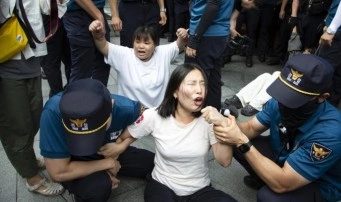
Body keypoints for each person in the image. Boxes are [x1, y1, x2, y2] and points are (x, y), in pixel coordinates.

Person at [203, 54, 341, 201]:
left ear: (322, 97)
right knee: (234, 137)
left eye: (296, 99)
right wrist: (226, 124)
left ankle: (273, 181)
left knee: (269, 197)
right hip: (286, 153)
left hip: (318, 182)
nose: (285, 103)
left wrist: (241, 140)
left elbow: (283, 183)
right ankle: (265, 178)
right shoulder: (280, 99)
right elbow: (251, 127)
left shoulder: (332, 133)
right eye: (285, 93)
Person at [113, 63, 236, 201]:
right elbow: (124, 136)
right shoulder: (154, 116)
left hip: (199, 189)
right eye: (192, 84)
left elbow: (225, 161)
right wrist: (112, 161)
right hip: (162, 185)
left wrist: (222, 123)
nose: (199, 90)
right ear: (175, 91)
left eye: (203, 84)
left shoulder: (209, 120)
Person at [39, 78, 155, 201]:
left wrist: (122, 145)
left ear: (111, 108)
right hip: (73, 158)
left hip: (110, 148)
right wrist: (107, 164)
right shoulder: (53, 113)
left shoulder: (127, 108)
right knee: (97, 188)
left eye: (96, 132)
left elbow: (149, 120)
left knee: (154, 163)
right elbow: (58, 172)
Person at [0, 0, 64, 197]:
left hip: (32, 60)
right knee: (16, 126)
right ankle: (31, 178)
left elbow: (48, 8)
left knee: (34, 117)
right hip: (6, 62)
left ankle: (27, 158)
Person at [89, 19, 188, 108]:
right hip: (131, 114)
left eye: (146, 43)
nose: (141, 46)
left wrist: (182, 35)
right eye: (137, 42)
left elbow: (179, 45)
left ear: (155, 45)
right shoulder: (124, 55)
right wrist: (98, 34)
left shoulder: (162, 53)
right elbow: (103, 45)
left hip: (158, 113)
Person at [184, 0, 235, 110]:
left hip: (207, 33)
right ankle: (212, 116)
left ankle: (193, 117)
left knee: (195, 79)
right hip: (218, 31)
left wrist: (195, 38)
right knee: (212, 79)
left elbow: (213, 4)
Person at [62, 0, 118, 86]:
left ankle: (99, 97)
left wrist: (113, 14)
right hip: (78, 12)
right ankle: (75, 98)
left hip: (98, 9)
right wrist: (99, 17)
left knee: (103, 63)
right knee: (82, 68)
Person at [40, 0, 71, 97]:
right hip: (48, 15)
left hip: (69, 12)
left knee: (72, 60)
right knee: (51, 63)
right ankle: (57, 98)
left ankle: (71, 93)